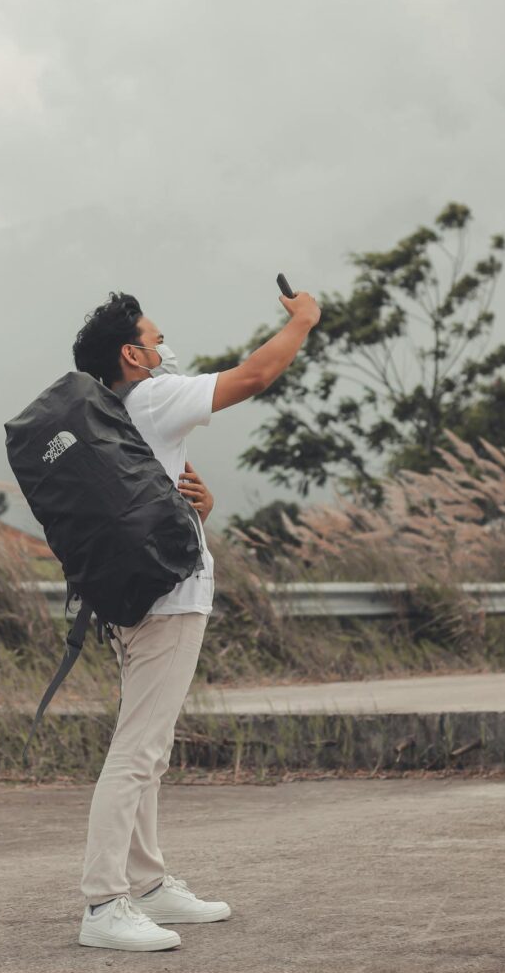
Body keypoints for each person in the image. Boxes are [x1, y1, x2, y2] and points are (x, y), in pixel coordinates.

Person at [72, 286, 321, 952]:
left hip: (139, 598)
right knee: (138, 750)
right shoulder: (151, 395)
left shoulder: (118, 411)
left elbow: (151, 500)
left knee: (148, 749)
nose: (165, 348)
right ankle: (103, 905)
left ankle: (149, 884)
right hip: (169, 603)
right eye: (156, 340)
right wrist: (301, 320)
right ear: (132, 354)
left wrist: (198, 509)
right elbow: (255, 375)